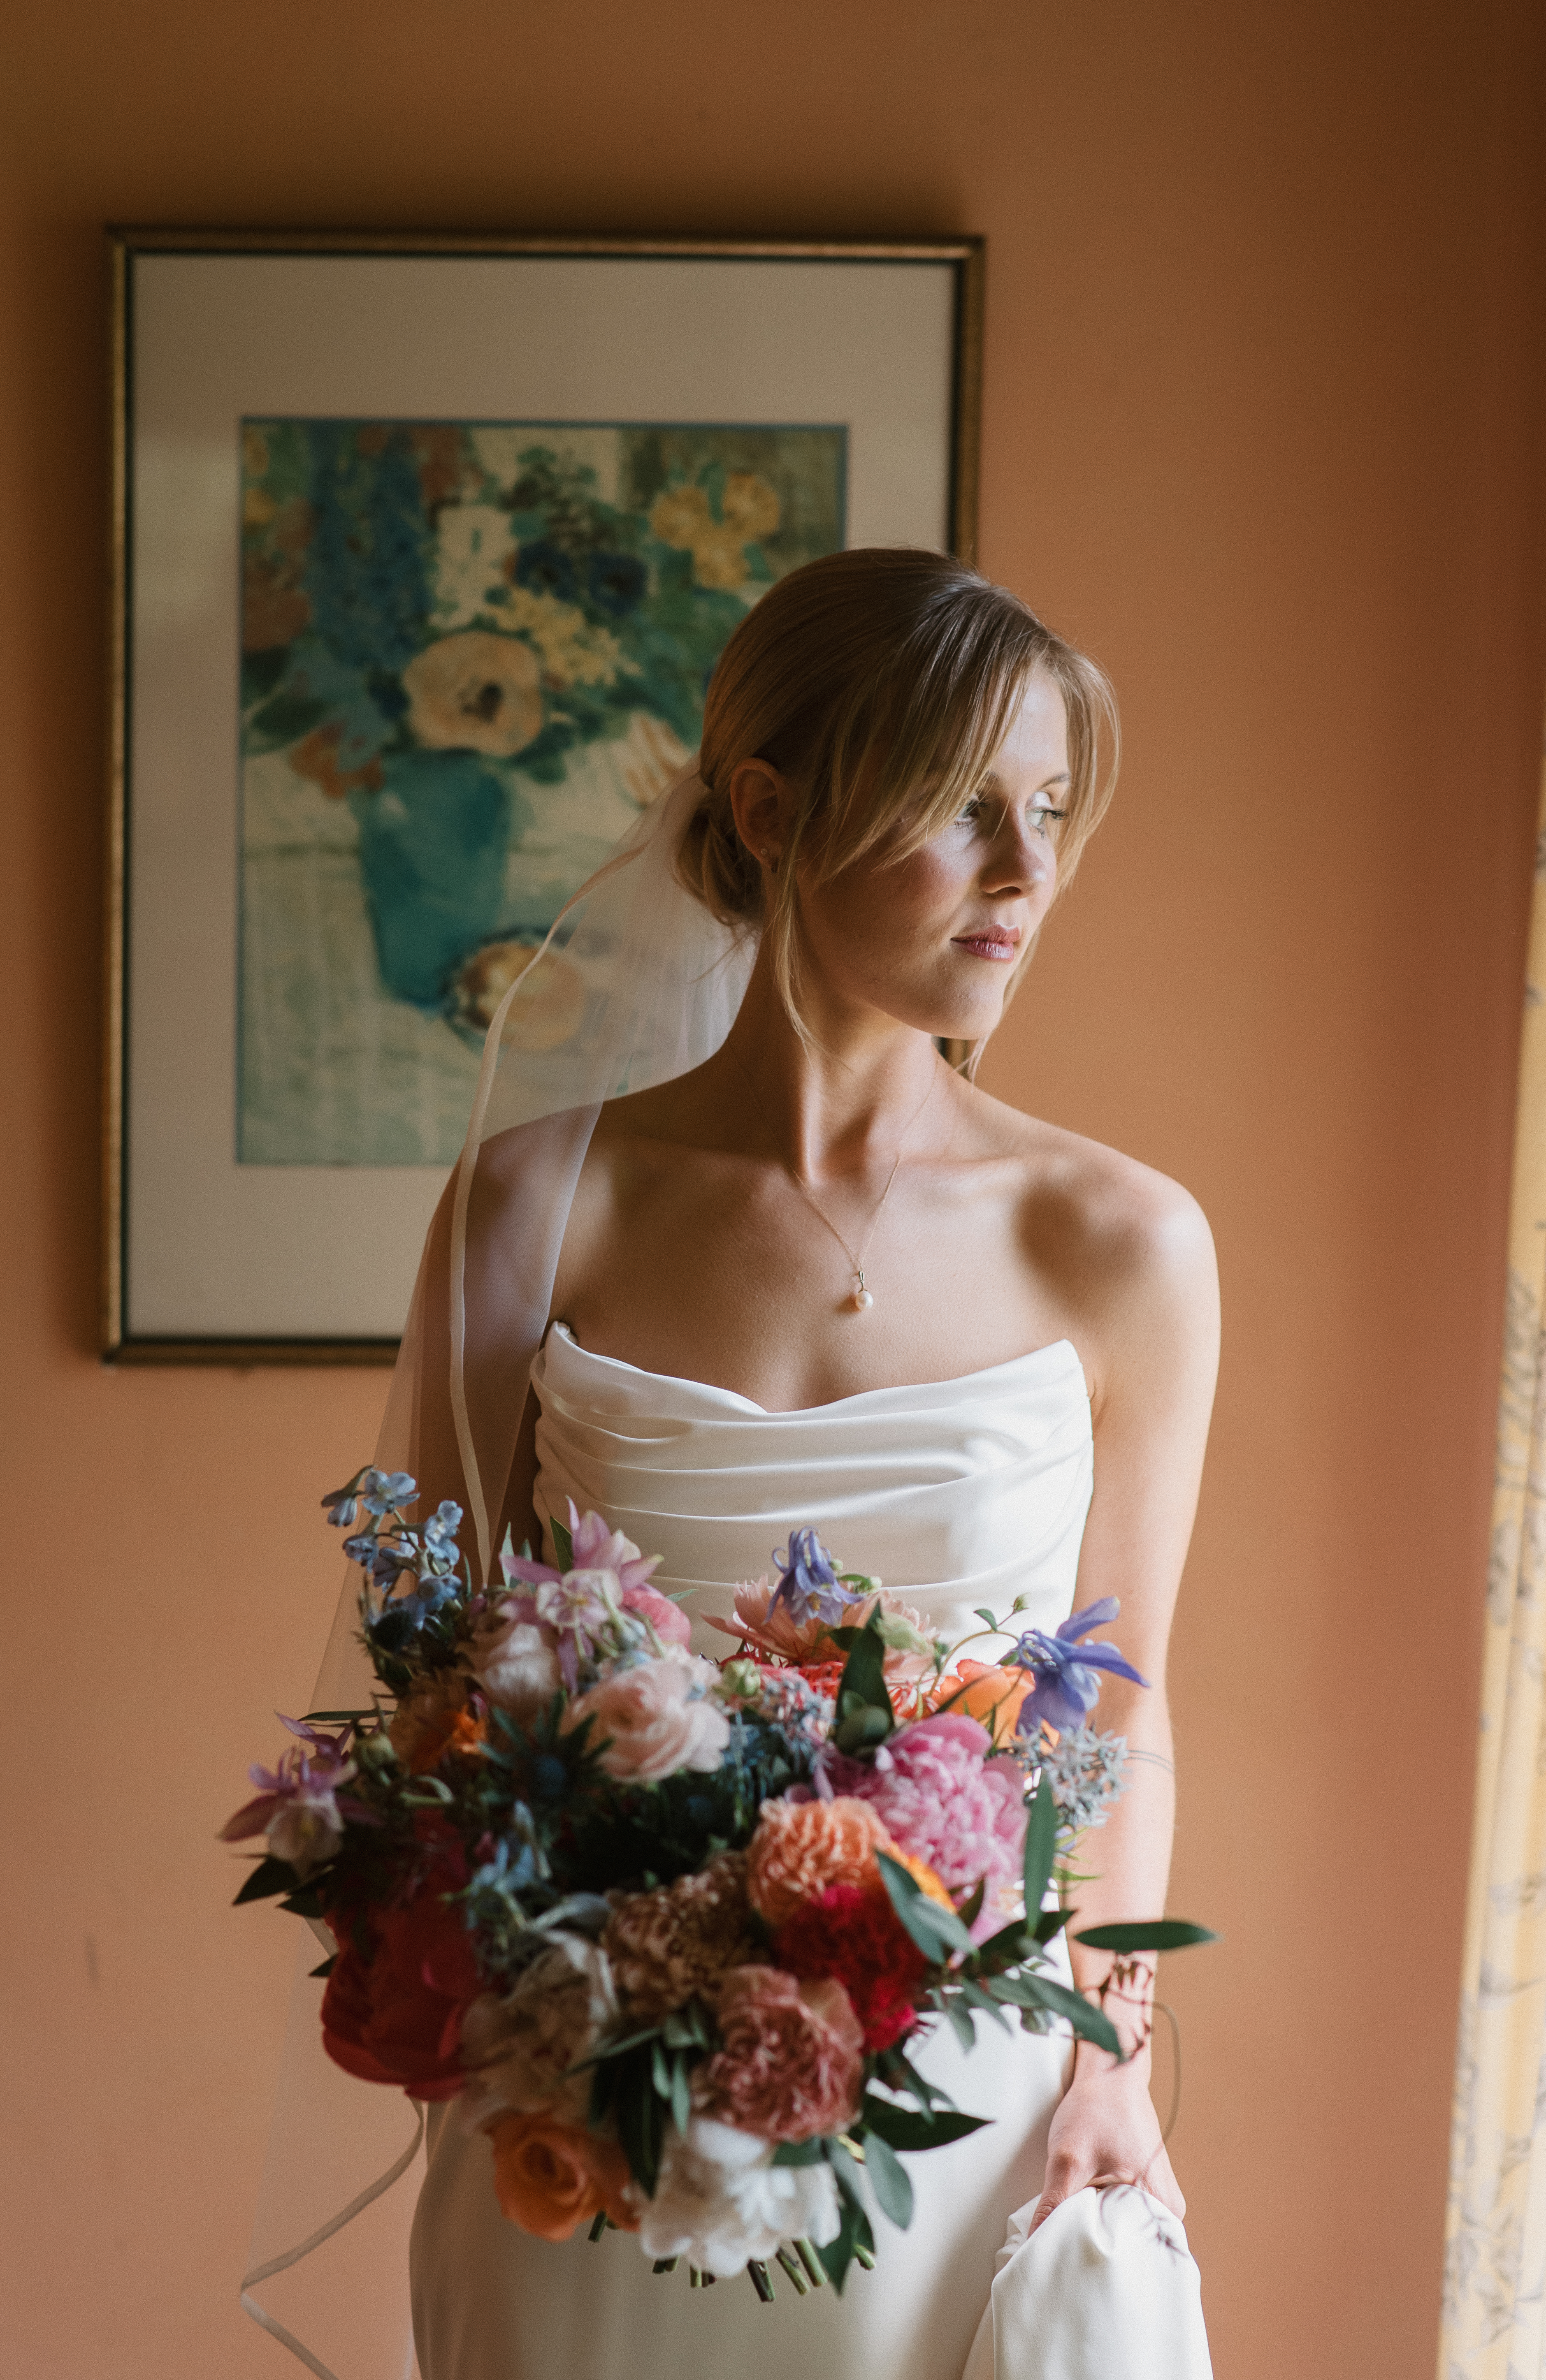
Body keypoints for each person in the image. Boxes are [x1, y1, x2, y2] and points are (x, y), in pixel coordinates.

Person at [288, 547, 1219, 2380]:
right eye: (965, 808)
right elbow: (429, 1667)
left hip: (966, 2101)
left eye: (1048, 809)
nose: (1030, 871)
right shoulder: (538, 1206)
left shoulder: (1119, 1237)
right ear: (777, 809)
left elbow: (1125, 1700)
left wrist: (1110, 2038)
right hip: (596, 2088)